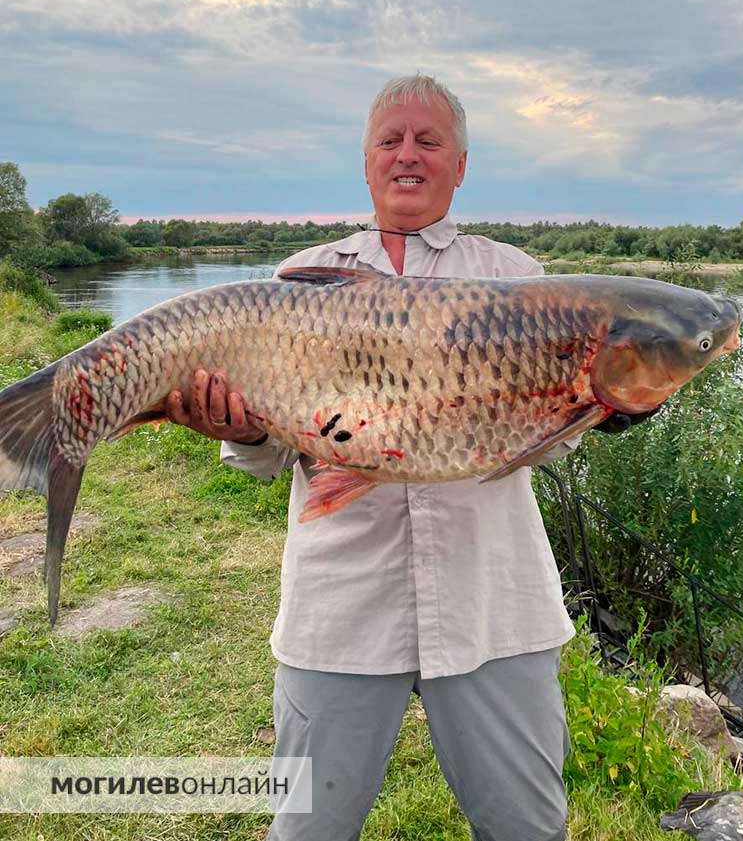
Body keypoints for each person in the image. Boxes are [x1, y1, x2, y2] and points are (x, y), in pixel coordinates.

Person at [167, 75, 579, 841]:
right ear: (365, 163)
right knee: (307, 830)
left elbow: (553, 439)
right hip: (340, 606)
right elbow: (257, 463)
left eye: (428, 141)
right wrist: (241, 426)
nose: (407, 155)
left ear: (460, 164)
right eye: (390, 140)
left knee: (529, 827)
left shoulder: (516, 280)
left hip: (495, 602)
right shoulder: (297, 281)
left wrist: (610, 406)